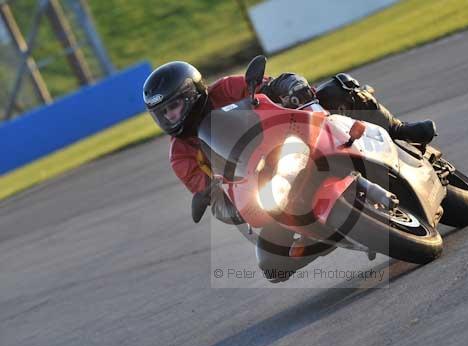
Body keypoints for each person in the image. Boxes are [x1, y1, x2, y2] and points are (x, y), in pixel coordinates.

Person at [142, 61, 437, 279]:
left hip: (291, 139)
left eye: (175, 106)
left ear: (192, 93)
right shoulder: (180, 155)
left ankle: (399, 130)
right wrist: (222, 201)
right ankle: (324, 233)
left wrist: (291, 88)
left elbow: (273, 85)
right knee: (272, 265)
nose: (170, 116)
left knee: (338, 88)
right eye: (163, 113)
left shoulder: (227, 88)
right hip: (267, 184)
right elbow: (215, 202)